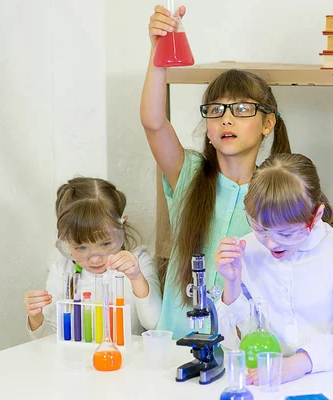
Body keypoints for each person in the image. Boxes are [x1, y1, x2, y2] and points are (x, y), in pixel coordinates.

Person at [141, 4, 292, 338]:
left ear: (268, 123)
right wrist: (158, 49)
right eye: (215, 110)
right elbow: (153, 122)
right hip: (176, 346)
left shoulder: (277, 191)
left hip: (241, 351)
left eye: (241, 109)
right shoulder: (190, 173)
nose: (226, 118)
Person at [215, 153, 333, 385]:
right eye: (261, 229)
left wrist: (299, 363)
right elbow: (231, 341)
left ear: (316, 215)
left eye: (286, 233)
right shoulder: (248, 249)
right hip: (262, 381)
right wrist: (232, 282)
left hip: (331, 381)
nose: (271, 243)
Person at [23, 177, 162, 338]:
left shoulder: (138, 261)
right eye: (81, 247)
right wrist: (35, 316)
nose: (95, 259)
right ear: (66, 240)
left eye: (105, 244)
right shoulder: (62, 269)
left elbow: (155, 324)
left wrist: (136, 277)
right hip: (75, 361)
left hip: (129, 359)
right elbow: (49, 340)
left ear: (121, 228)